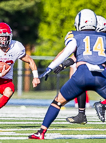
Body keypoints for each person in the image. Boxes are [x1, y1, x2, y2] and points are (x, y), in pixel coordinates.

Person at [29, 9, 106, 140]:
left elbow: (67, 52)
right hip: (101, 76)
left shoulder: (75, 35)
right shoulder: (103, 37)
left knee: (57, 102)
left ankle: (41, 132)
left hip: (81, 75)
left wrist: (50, 67)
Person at [54, 15, 106, 124]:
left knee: (80, 80)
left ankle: (88, 111)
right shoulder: (89, 38)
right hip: (88, 66)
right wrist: (60, 64)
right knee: (79, 80)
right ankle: (82, 113)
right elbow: (71, 55)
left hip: (93, 66)